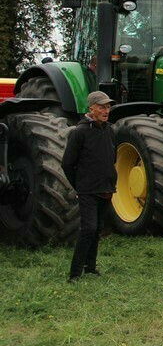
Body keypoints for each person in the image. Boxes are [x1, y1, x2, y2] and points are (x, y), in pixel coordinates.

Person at [62, 91, 117, 283]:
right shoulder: (80, 132)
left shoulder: (110, 131)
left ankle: (90, 267)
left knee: (98, 229)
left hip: (106, 189)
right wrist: (79, 186)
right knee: (88, 229)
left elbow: (113, 158)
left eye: (108, 107)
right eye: (102, 107)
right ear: (91, 109)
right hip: (87, 190)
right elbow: (67, 164)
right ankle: (75, 274)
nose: (106, 110)